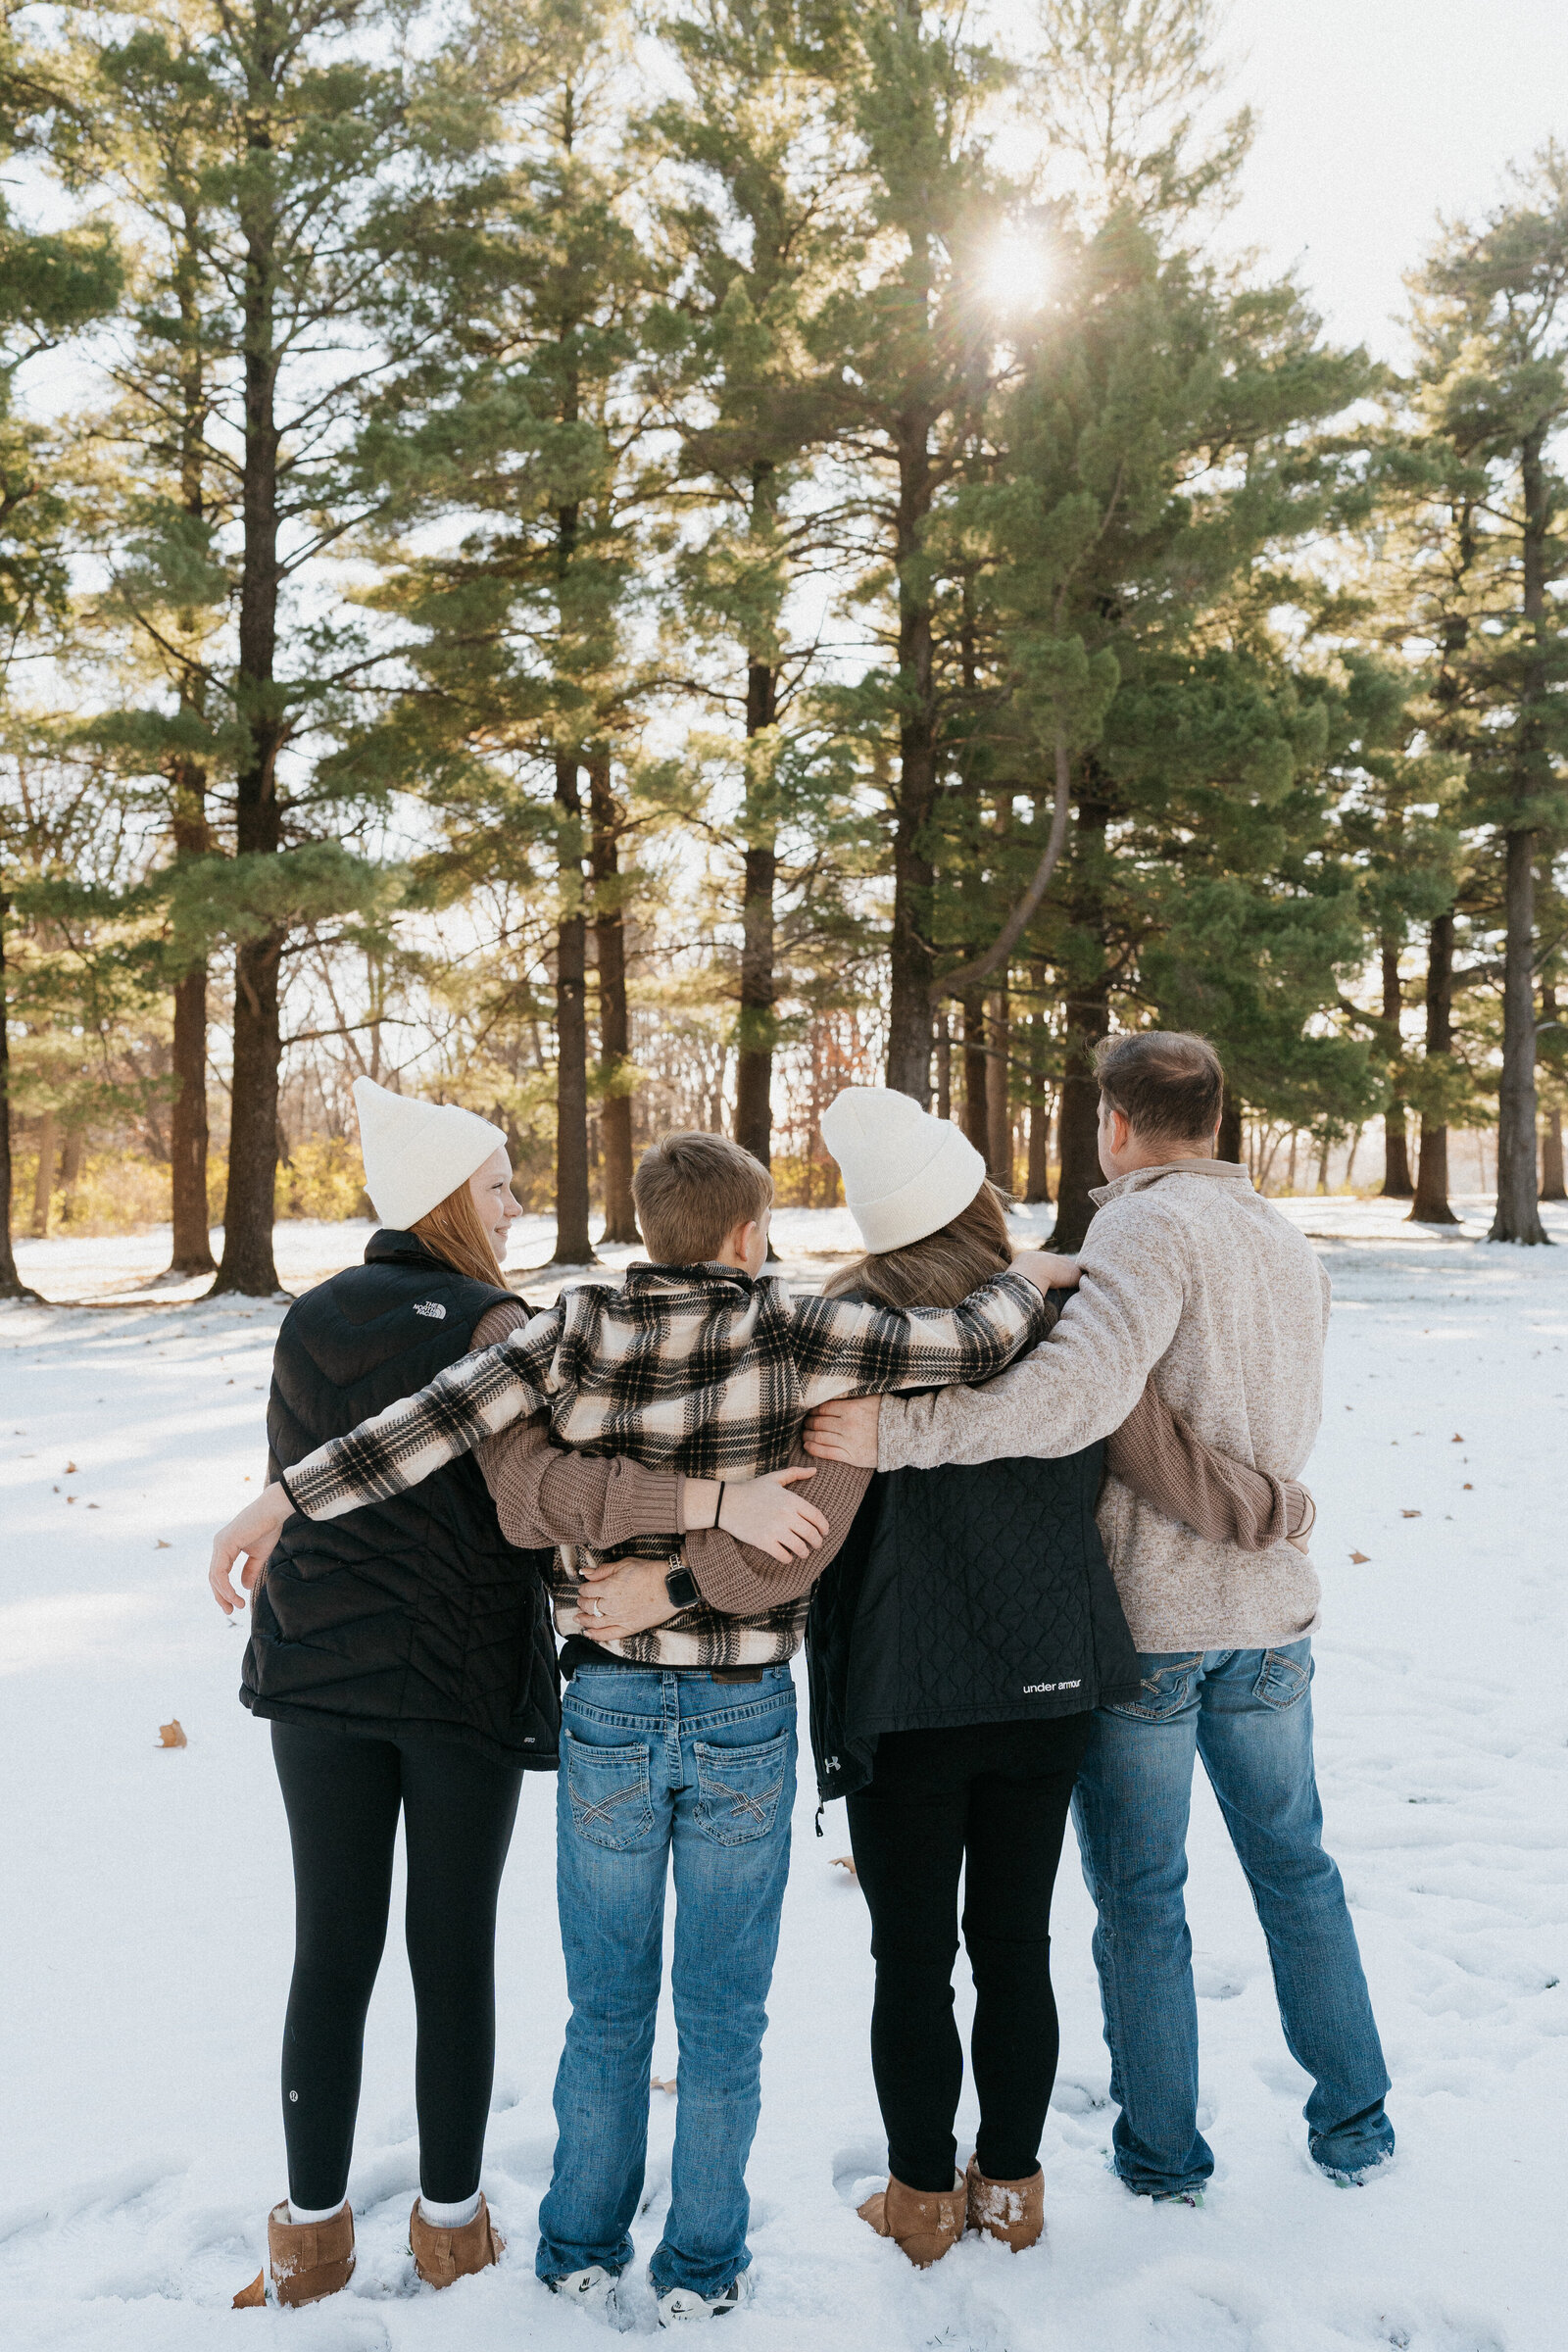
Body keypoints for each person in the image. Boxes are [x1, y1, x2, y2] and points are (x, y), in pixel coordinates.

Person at [211, 1122, 1073, 2325]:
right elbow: (972, 1339)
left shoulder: (569, 1325)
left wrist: (279, 1499)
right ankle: (703, 2267)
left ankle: (576, 2247)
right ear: (745, 1232)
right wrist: (1026, 1282)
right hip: (741, 1710)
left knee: (606, 2006)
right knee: (723, 2014)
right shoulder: (801, 1327)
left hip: (607, 1699)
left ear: (648, 1227)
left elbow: (428, 1425)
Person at [212, 1084, 827, 2313]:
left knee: (329, 1950)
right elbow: (529, 1497)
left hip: (315, 1671)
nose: (514, 1204)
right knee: (450, 1950)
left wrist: (276, 1508)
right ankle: (449, 2225)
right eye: (497, 1185)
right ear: (447, 1200)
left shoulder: (310, 1315)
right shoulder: (504, 1324)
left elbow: (319, 1460)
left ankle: (311, 2238)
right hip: (453, 1682)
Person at [806, 1034, 1395, 2204]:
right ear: (1217, 1118)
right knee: (1297, 1871)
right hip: (1273, 1611)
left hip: (1159, 1624)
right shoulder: (1282, 1237)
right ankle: (1355, 2121)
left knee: (1140, 1899)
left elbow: (1076, 1397)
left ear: (1115, 1127)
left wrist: (900, 1434)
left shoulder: (1138, 1225)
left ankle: (1165, 2157)